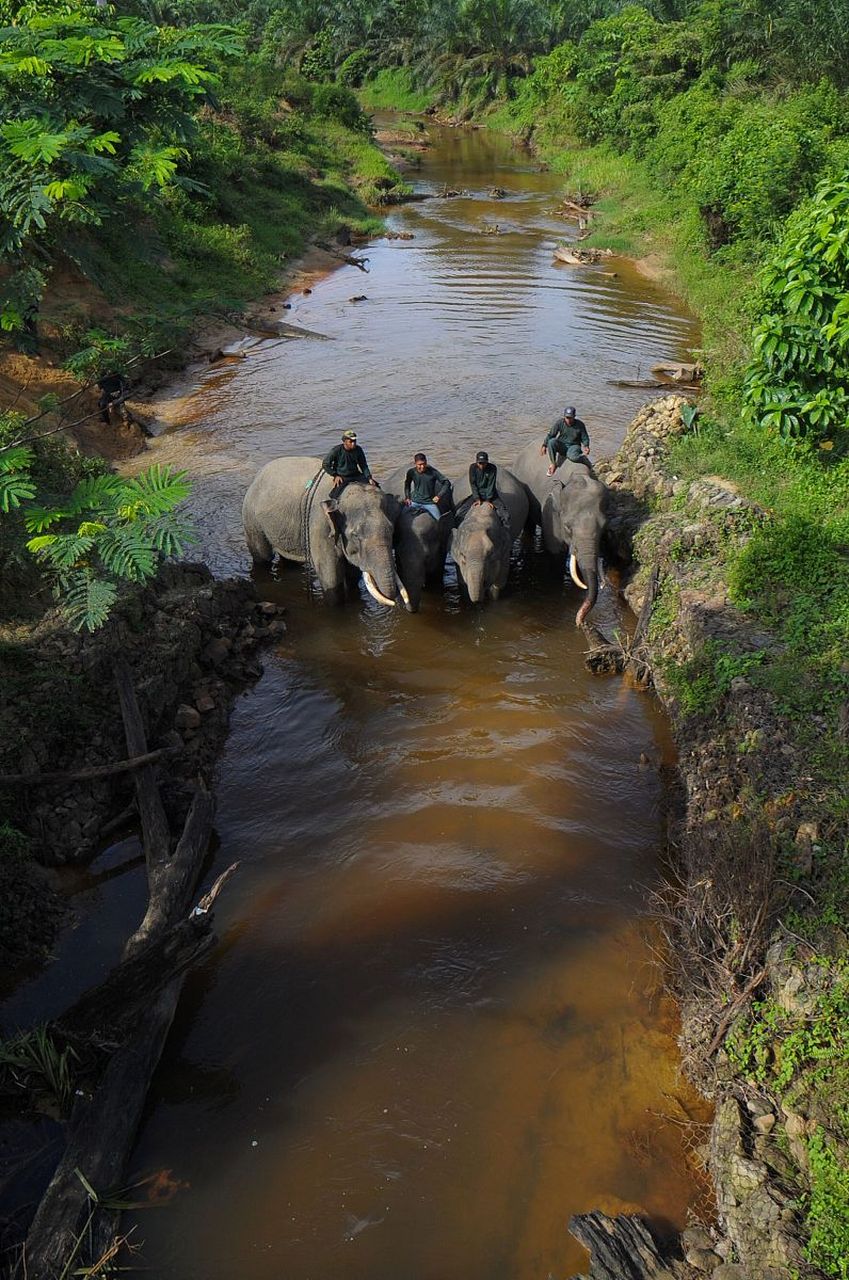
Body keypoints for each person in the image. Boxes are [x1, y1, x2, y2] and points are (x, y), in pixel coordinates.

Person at [322, 430, 379, 495]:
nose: (353, 443)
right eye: (351, 441)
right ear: (345, 441)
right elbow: (325, 464)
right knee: (335, 494)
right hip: (342, 476)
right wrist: (335, 475)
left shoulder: (358, 450)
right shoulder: (336, 450)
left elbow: (363, 465)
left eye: (354, 441)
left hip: (355, 474)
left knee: (376, 485)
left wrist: (369, 477)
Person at [466, 450, 510, 528]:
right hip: (478, 494)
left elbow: (491, 485)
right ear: (476, 462)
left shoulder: (492, 468)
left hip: (491, 495)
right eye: (480, 463)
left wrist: (488, 500)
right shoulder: (472, 468)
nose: (482, 466)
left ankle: (506, 531)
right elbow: (473, 484)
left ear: (487, 462)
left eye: (484, 463)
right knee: (460, 512)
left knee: (505, 515)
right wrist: (477, 498)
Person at [541, 405, 590, 475]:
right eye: (567, 417)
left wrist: (586, 446)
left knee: (573, 457)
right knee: (551, 442)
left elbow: (584, 437)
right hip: (562, 444)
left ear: (574, 416)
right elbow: (551, 434)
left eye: (570, 418)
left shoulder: (580, 425)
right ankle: (553, 464)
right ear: (564, 416)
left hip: (574, 445)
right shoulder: (559, 423)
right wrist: (544, 445)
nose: (568, 420)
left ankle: (583, 458)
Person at [404, 453, 451, 519]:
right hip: (414, 502)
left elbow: (447, 483)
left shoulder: (433, 472)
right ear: (415, 463)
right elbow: (407, 484)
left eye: (424, 464)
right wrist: (407, 497)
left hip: (429, 503)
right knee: (402, 514)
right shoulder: (411, 472)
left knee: (439, 519)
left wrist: (439, 496)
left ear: (426, 462)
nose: (422, 466)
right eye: (420, 464)